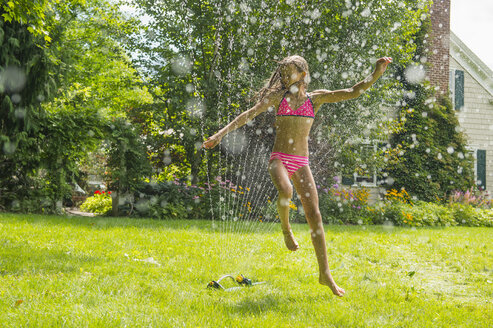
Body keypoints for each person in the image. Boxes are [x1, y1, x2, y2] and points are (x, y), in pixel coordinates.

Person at [202, 55, 392, 297]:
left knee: (315, 214)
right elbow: (248, 114)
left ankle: (325, 274)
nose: (283, 77)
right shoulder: (278, 98)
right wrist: (220, 135)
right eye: (281, 73)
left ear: (303, 74)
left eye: (288, 72)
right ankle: (286, 230)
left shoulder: (316, 99)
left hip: (301, 163)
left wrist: (376, 73)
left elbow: (353, 90)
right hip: (279, 158)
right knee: (286, 190)